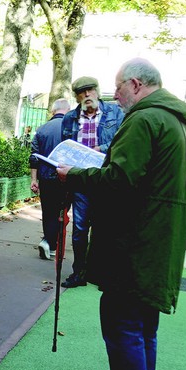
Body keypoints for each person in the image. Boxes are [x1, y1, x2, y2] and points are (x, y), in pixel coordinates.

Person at [57, 58, 186, 370]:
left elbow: (120, 178)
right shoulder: (176, 119)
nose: (113, 96)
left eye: (118, 88)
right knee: (141, 329)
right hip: (154, 242)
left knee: (124, 326)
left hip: (136, 243)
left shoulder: (144, 119)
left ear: (135, 84)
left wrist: (75, 174)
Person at [60, 76, 124, 287]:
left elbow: (121, 142)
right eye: (82, 92)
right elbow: (66, 146)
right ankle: (79, 272)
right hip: (81, 181)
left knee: (105, 227)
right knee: (79, 229)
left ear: (97, 91)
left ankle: (102, 273)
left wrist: (101, 149)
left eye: (90, 90)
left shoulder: (116, 113)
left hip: (106, 178)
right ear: (77, 96)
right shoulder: (69, 118)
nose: (87, 95)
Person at [30, 98, 71, 260]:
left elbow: (34, 157)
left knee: (48, 211)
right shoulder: (71, 129)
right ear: (67, 110)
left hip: (45, 178)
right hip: (65, 177)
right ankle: (50, 243)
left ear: (53, 111)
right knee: (62, 213)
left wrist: (34, 179)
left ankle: (48, 242)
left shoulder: (41, 129)